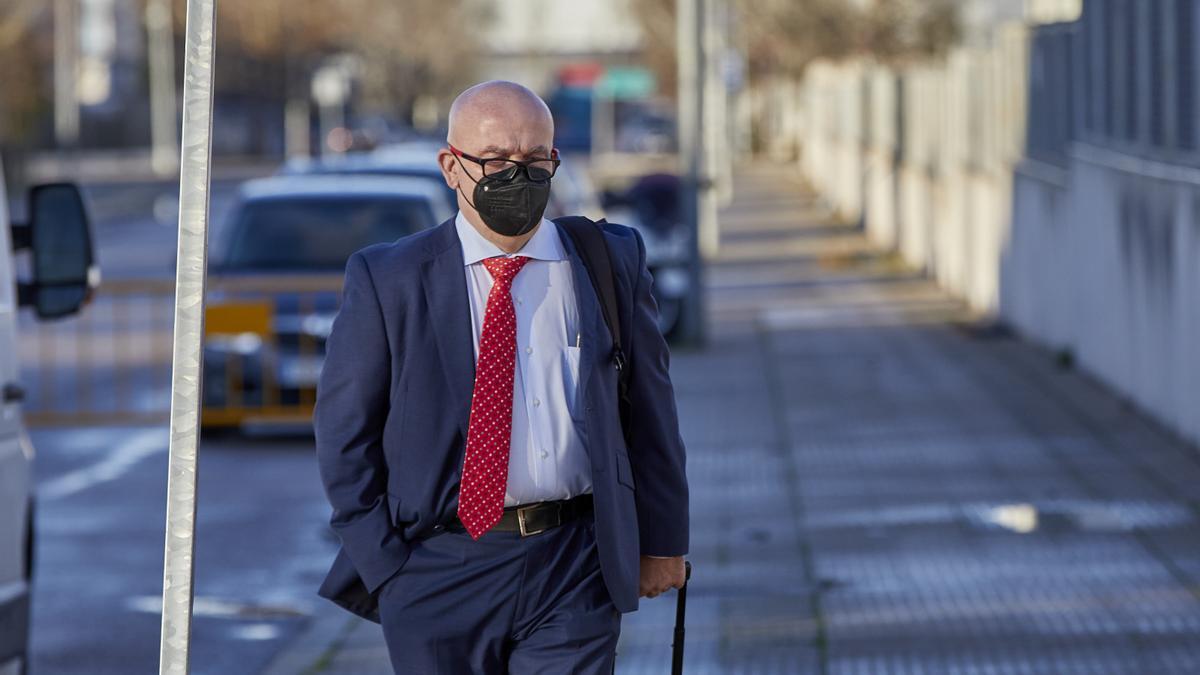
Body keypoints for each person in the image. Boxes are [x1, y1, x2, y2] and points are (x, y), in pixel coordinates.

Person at [314, 80, 689, 674]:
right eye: (495, 161)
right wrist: (388, 569)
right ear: (451, 167)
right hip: (438, 566)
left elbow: (651, 412)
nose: (519, 177)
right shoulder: (390, 279)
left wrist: (664, 541)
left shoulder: (607, 262)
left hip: (574, 561)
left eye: (536, 160)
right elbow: (344, 434)